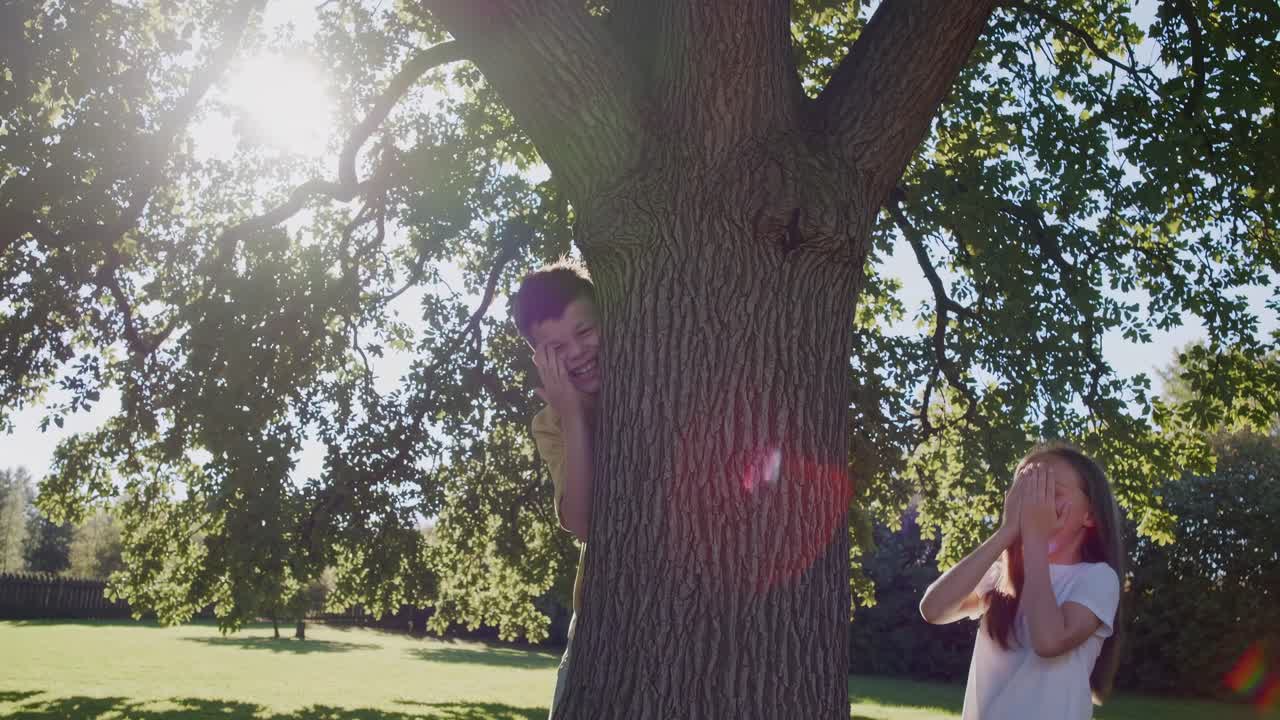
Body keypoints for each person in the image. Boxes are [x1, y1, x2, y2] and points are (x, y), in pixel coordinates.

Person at [918, 444, 1126, 720]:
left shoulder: (1098, 578)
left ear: (1089, 515)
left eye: (1051, 491)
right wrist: (1007, 531)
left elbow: (1049, 641)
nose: (1035, 503)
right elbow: (933, 609)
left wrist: (1035, 539)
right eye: (1026, 490)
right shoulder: (1001, 576)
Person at [511, 261, 600, 716]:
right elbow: (581, 520)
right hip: (602, 621)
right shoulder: (550, 424)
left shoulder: (655, 379)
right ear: (540, 359)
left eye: (586, 333)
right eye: (557, 347)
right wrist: (571, 414)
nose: (579, 353)